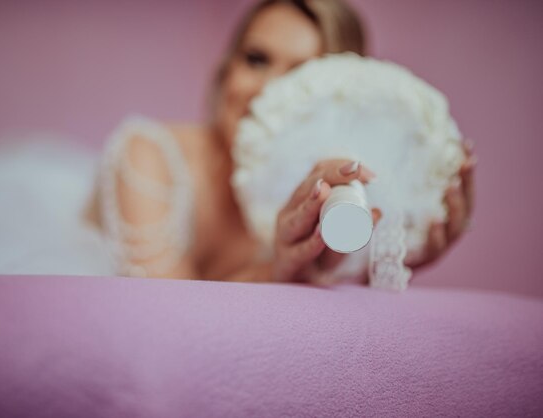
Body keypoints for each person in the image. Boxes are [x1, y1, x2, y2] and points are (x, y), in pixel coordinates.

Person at [85, 0, 476, 284]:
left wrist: (387, 257)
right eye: (255, 59)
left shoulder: (325, 196)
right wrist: (277, 271)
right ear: (225, 71)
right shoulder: (147, 154)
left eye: (300, 76)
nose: (266, 90)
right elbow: (166, 317)